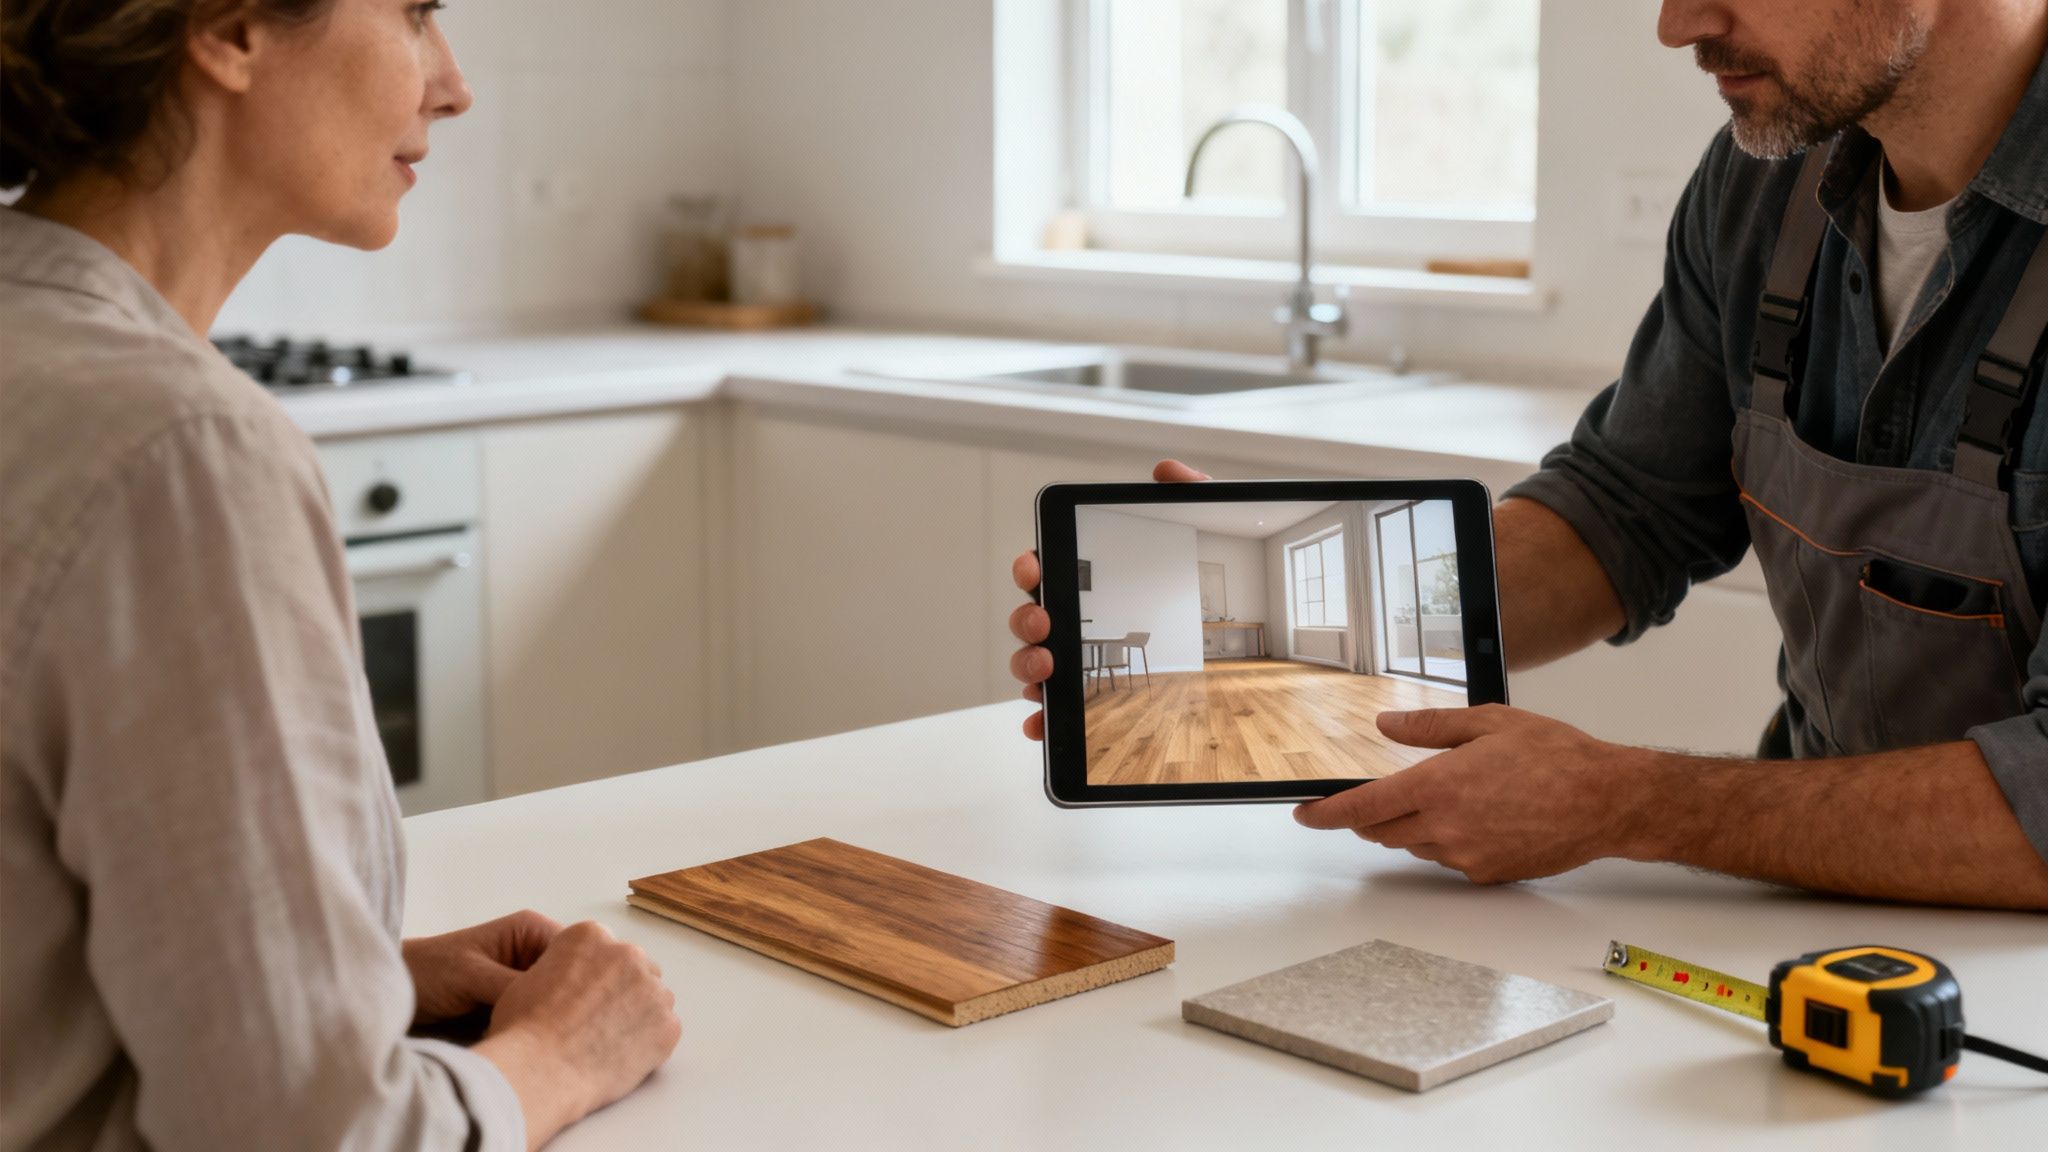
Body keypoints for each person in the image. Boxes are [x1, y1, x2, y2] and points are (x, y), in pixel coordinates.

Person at [1009, 0, 2048, 911]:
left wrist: (1624, 802)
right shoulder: (1761, 190)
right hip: (1815, 919)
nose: (1674, 23)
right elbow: (1624, 510)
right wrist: (1317, 604)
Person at [1, 2, 680, 1149]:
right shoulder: (179, 451)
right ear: (229, 29)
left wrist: (341, 984)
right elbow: (307, 1136)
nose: (452, 84)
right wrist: (558, 1056)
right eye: (414, 12)